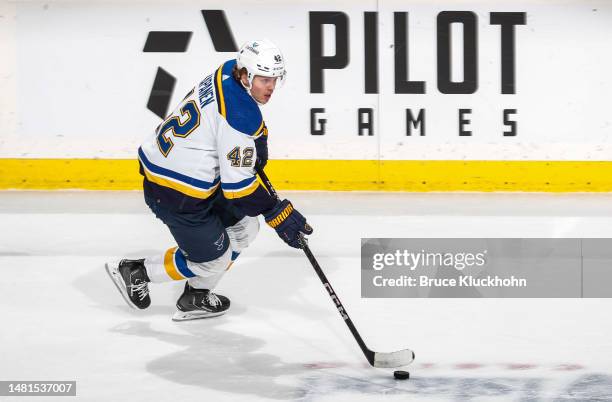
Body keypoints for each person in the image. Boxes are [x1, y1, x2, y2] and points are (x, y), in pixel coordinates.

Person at [106, 39, 313, 321]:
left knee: (244, 229)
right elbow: (238, 189)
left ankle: (196, 296)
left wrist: (257, 138)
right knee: (213, 259)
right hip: (175, 193)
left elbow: (226, 122)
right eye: (264, 79)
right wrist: (275, 212)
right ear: (247, 75)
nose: (271, 87)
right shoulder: (240, 115)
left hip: (177, 168)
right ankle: (137, 271)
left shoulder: (228, 71)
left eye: (275, 79)